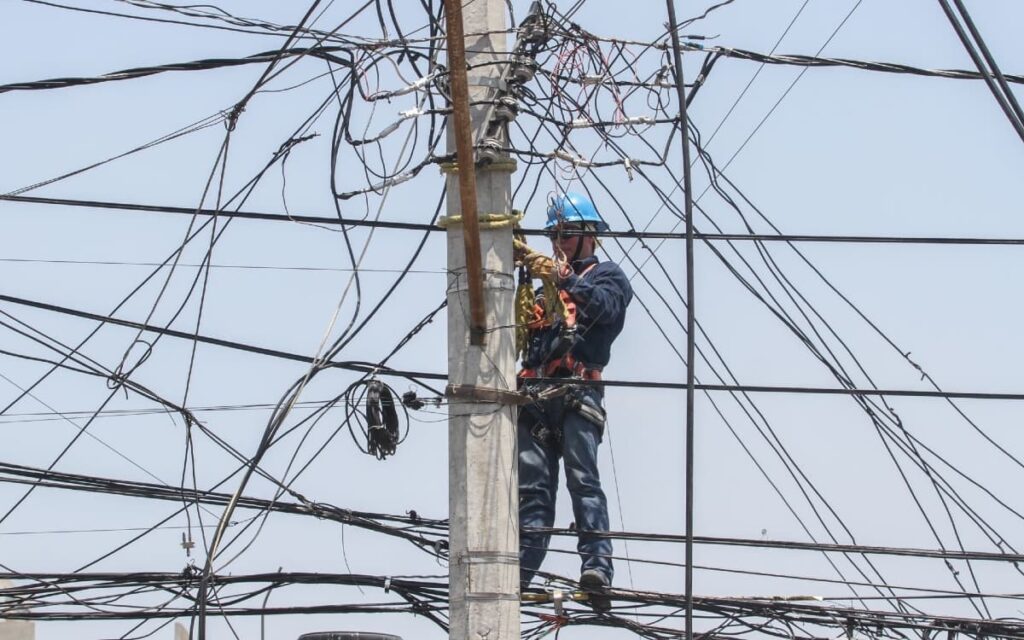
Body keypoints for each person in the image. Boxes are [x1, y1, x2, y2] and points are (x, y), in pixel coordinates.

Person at [516, 192, 633, 604]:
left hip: (577, 391)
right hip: (532, 396)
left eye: (567, 233)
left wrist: (564, 279)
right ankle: (518, 574)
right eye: (554, 234)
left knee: (583, 482)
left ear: (589, 235)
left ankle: (596, 569)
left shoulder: (608, 276)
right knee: (532, 493)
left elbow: (605, 308)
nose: (558, 241)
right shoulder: (543, 283)